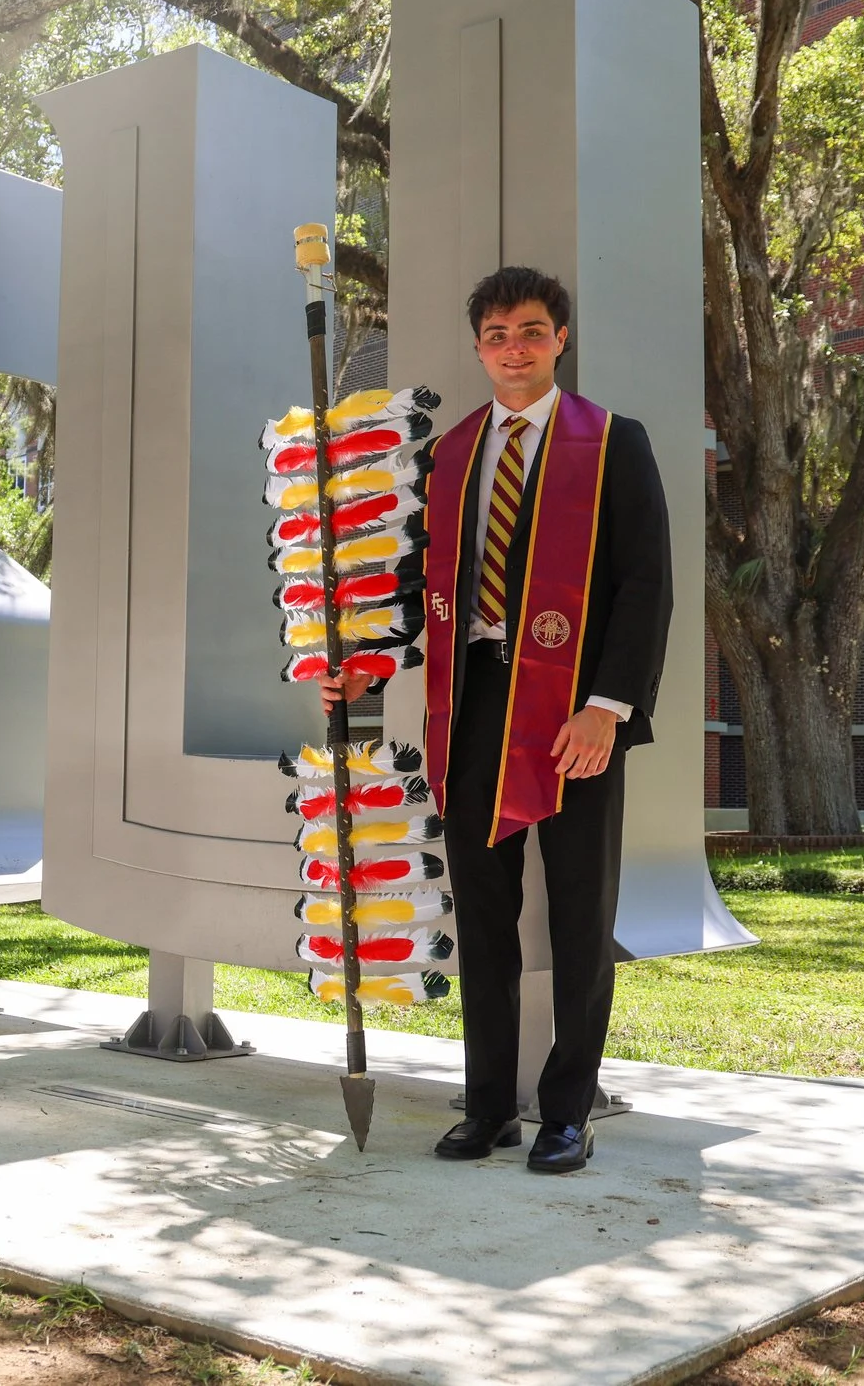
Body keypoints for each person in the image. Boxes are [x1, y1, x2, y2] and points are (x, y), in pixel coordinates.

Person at [325, 267, 671, 1176]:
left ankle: (565, 1111)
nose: (512, 347)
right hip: (472, 705)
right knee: (481, 914)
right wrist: (357, 669)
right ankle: (487, 1107)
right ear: (479, 348)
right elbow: (411, 583)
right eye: (495, 335)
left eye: (529, 330)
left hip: (572, 715)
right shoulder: (450, 454)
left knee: (579, 917)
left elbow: (646, 585)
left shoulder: (612, 443)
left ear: (560, 339)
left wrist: (608, 707)